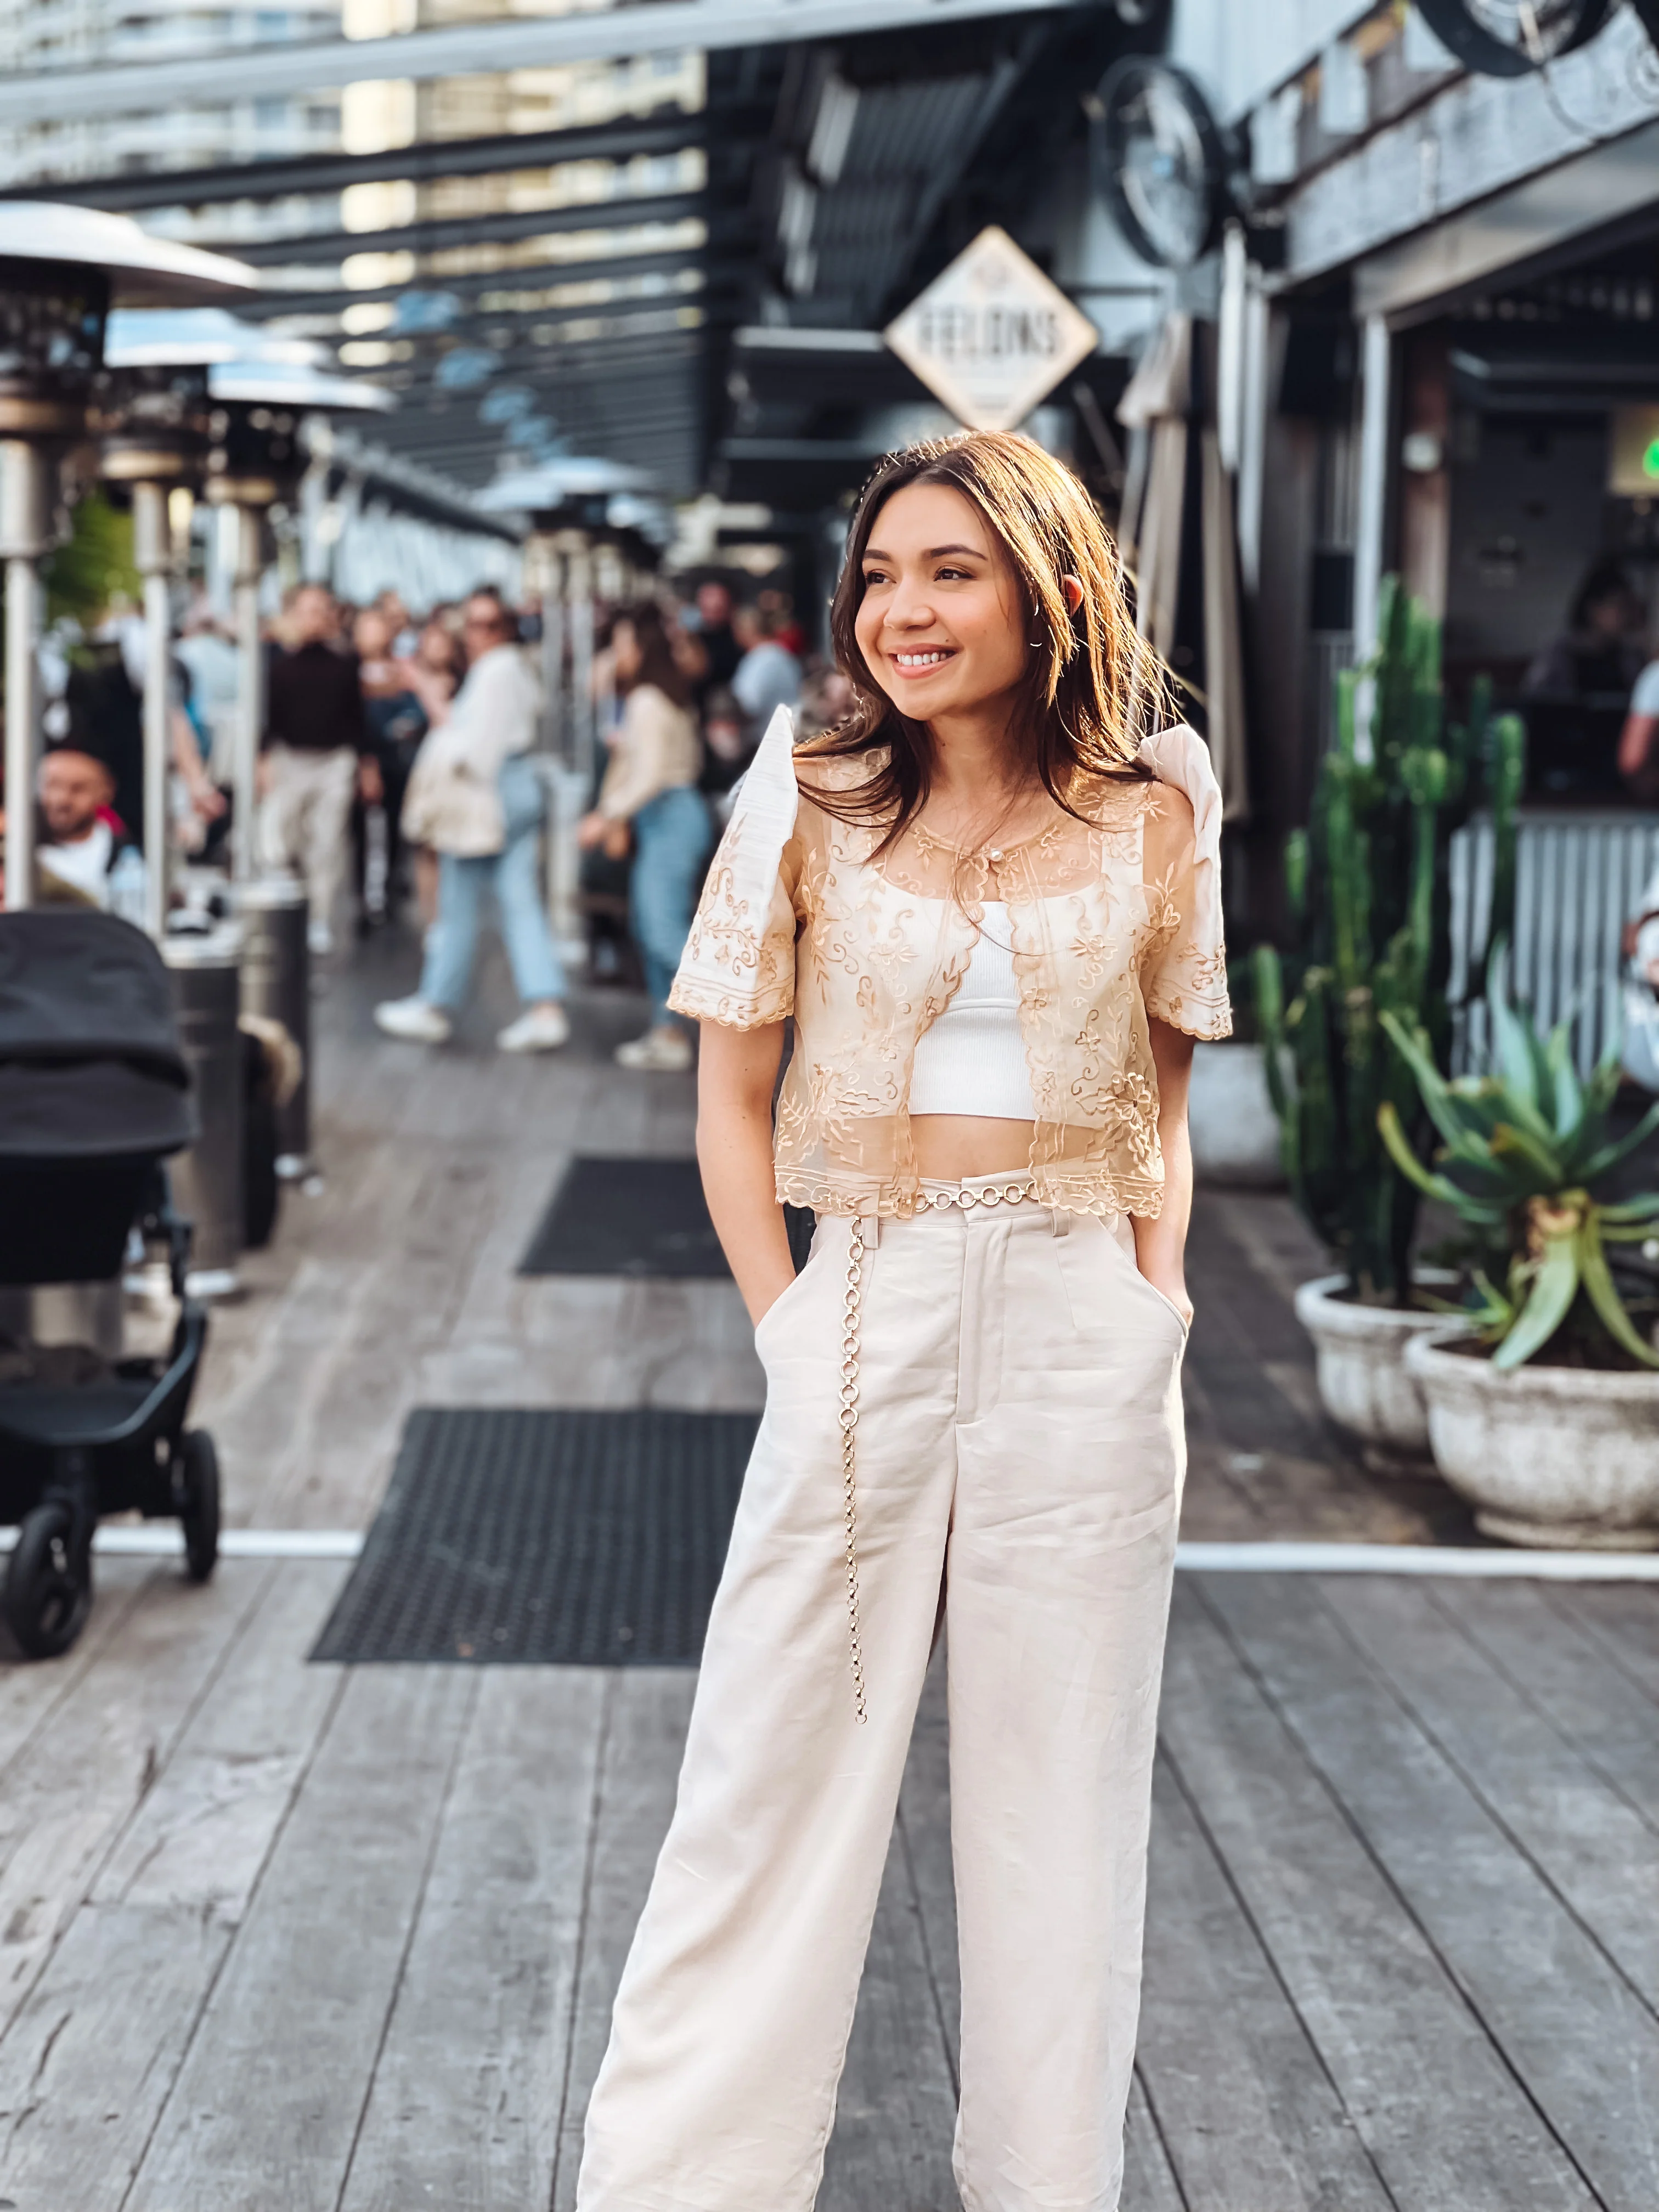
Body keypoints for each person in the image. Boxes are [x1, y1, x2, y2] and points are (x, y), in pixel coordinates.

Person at [575, 432, 1230, 2212]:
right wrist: (789, 1324)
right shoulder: (805, 798)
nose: (902, 610)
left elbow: (1162, 1102)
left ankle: (1044, 2186)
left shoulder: (1159, 810)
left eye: (950, 571)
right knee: (771, 1769)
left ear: (1052, 591)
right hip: (866, 1305)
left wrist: (1152, 1299)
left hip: (1083, 1321)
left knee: (1062, 1803)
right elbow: (732, 1095)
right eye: (879, 575)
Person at [374, 588, 570, 1053]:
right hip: (511, 788)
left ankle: (438, 1002)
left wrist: (432, 702)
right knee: (517, 901)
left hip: (488, 796)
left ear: (505, 629)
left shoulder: (495, 672)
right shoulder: (512, 668)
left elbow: (473, 751)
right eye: (473, 625)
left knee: (459, 901)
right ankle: (543, 1006)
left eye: (488, 625)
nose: (478, 635)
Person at [578, 602, 707, 1072]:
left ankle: (734, 1011)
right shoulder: (667, 695)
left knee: (661, 931)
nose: (616, 655)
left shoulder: (646, 700)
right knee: (653, 926)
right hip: (672, 817)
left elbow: (650, 774)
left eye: (621, 645)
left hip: (668, 816)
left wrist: (606, 816)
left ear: (640, 648)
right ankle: (667, 1032)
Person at [258, 582, 381, 955]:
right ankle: (294, 905)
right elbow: (270, 718)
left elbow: (357, 719)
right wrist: (264, 760)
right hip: (292, 760)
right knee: (287, 838)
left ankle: (319, 917)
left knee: (328, 843)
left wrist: (366, 765)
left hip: (333, 762)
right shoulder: (279, 666)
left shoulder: (345, 664)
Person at [353, 605, 428, 924]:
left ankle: (391, 885)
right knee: (362, 832)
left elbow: (417, 709)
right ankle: (364, 894)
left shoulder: (403, 672)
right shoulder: (350, 671)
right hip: (363, 760)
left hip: (396, 761)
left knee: (396, 826)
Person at [35, 740, 141, 908]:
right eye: (52, 786)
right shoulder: (17, 851)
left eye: (78, 789)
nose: (62, 800)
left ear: (106, 793)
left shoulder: (130, 856)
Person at [730, 599, 802, 742]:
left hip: (768, 742)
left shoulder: (762, 660)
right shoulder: (783, 654)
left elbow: (748, 706)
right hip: (788, 738)